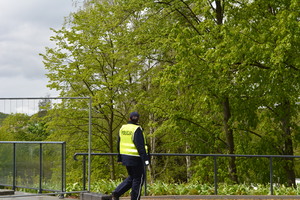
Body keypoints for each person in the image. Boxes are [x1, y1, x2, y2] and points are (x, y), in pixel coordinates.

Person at [112, 112, 150, 200]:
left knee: (132, 177)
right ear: (138, 119)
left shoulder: (123, 128)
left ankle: (117, 192)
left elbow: (119, 143)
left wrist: (119, 157)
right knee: (138, 179)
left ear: (129, 118)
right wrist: (145, 159)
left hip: (125, 157)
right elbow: (140, 146)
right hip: (136, 158)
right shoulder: (137, 129)